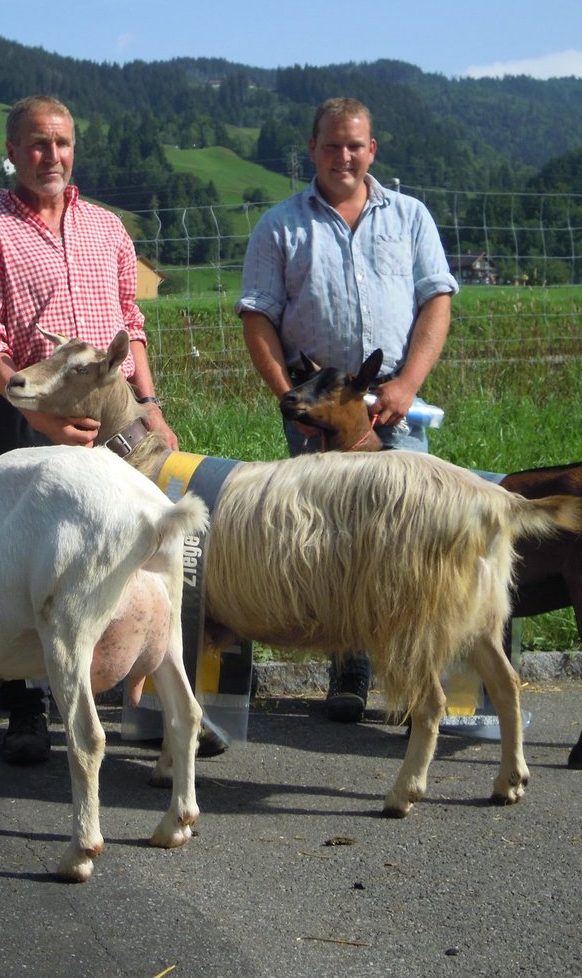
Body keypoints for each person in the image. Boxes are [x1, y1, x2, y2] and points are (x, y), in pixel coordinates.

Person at [0, 95, 178, 765]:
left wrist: (150, 399)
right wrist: (36, 414)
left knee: (137, 558)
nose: (52, 156)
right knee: (31, 567)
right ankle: (26, 707)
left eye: (63, 143)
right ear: (13, 151)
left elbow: (130, 325)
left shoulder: (107, 228)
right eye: (38, 144)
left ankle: (146, 702)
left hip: (115, 423)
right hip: (27, 418)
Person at [238, 97, 458, 723]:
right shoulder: (280, 225)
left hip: (393, 405)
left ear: (373, 150)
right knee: (332, 542)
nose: (343, 157)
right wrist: (292, 399)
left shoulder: (410, 217)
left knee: (410, 539)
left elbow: (436, 301)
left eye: (355, 146)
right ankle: (350, 666)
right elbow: (258, 317)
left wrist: (408, 384)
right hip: (321, 410)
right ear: (312, 149)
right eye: (332, 146)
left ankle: (418, 679)